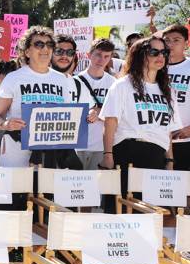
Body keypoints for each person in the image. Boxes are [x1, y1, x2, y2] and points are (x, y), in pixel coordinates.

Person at [100, 36, 180, 195]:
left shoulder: (168, 91)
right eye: (154, 52)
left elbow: (168, 131)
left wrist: (170, 161)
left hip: (157, 156)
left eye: (164, 52)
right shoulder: (122, 85)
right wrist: (108, 155)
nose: (160, 56)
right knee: (124, 212)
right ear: (140, 55)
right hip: (128, 152)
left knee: (153, 214)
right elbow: (110, 123)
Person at [0, 27, 75, 167]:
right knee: (18, 189)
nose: (45, 48)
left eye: (49, 45)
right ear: (27, 52)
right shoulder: (14, 78)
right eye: (38, 44)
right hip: (17, 151)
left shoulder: (63, 80)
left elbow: (68, 118)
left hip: (51, 154)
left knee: (47, 189)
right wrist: (5, 124)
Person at [70, 38, 116, 170]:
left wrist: (99, 111)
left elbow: (119, 113)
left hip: (102, 146)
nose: (101, 60)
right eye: (98, 55)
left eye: (106, 56)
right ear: (89, 55)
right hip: (77, 144)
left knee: (96, 189)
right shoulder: (75, 81)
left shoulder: (114, 83)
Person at [161, 23, 190, 170]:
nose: (170, 44)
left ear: (186, 43)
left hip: (186, 141)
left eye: (176, 40)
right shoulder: (155, 66)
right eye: (166, 40)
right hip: (158, 142)